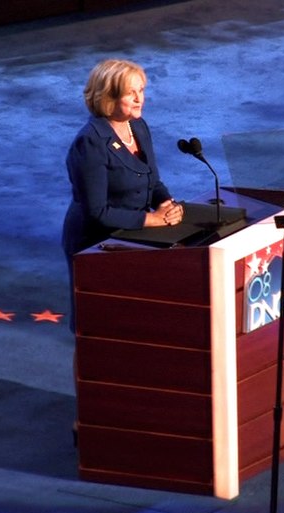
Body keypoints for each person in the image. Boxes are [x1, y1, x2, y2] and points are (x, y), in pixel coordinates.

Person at [62, 58, 183, 331]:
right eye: (132, 93)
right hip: (95, 244)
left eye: (141, 90)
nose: (141, 99)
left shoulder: (138, 127)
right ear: (109, 97)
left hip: (132, 241)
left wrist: (166, 203)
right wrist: (153, 220)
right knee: (95, 331)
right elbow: (98, 212)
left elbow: (151, 179)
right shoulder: (90, 142)